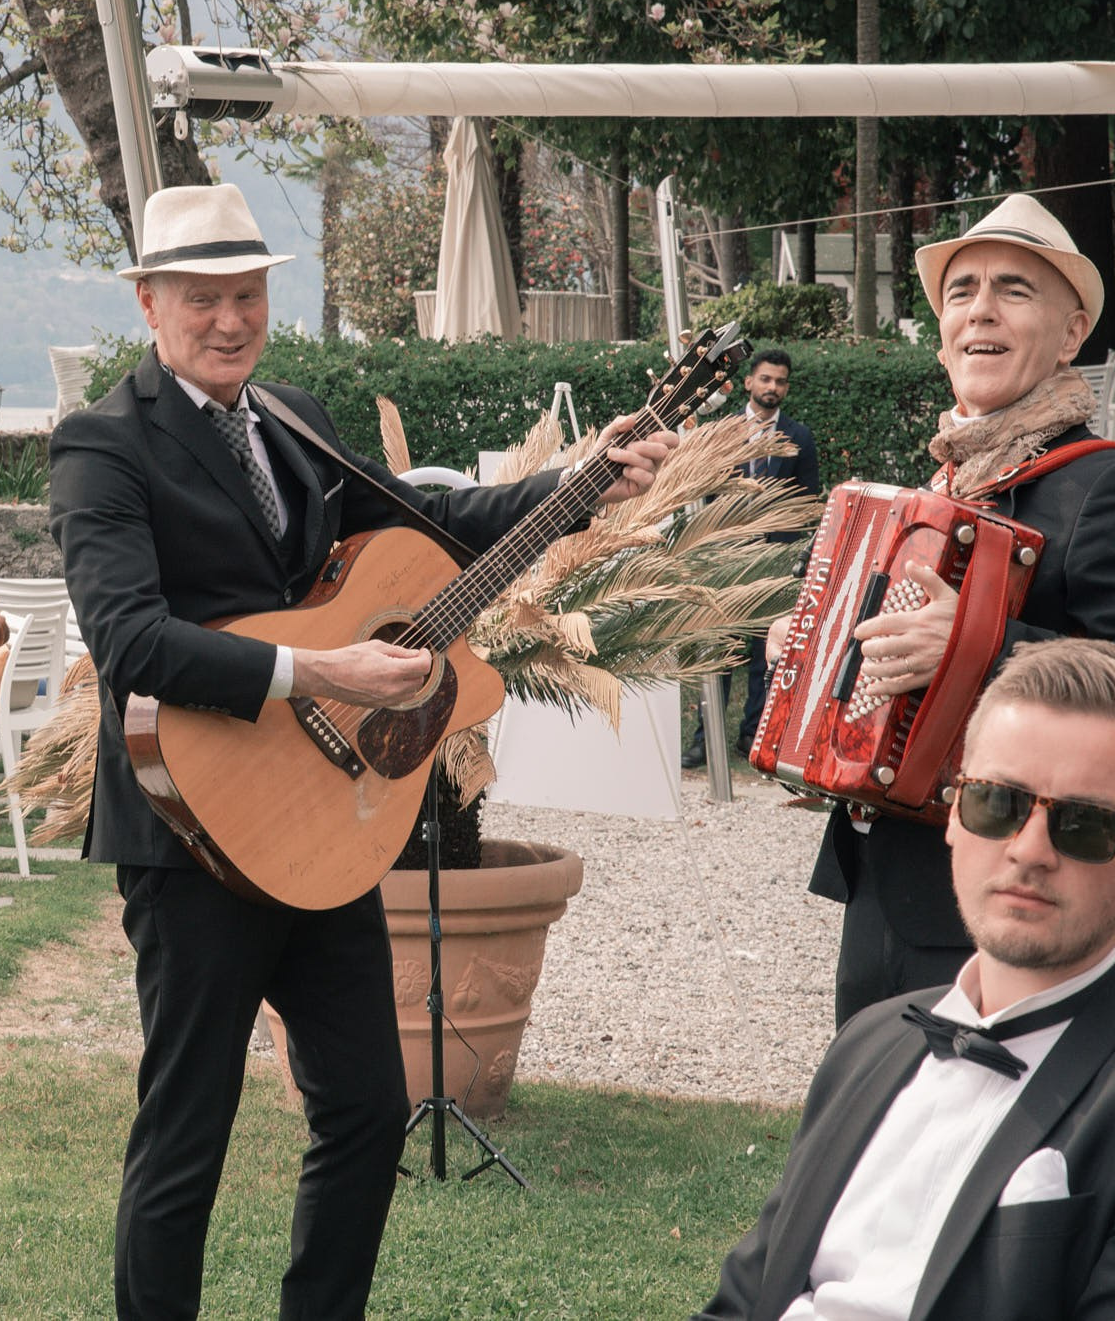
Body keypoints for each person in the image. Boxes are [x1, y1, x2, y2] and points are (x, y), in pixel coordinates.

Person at [48, 183, 676, 1321]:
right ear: (149, 303)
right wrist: (320, 672)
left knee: (366, 1109)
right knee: (184, 1133)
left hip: (320, 822)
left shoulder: (292, 416)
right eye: (202, 299)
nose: (229, 319)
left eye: (247, 295)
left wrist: (580, 486)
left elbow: (437, 526)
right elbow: (126, 640)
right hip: (191, 830)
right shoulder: (102, 443)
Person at [696, 637, 1115, 1320]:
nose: (1030, 850)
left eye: (1085, 824)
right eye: (997, 803)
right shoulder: (868, 1044)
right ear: (951, 812)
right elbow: (743, 1302)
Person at [794, 193, 1115, 1026]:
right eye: (960, 291)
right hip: (889, 877)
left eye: (1014, 289)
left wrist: (975, 647)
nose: (980, 309)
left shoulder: (1109, 481)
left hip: (1025, 875)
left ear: (1071, 333)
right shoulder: (940, 484)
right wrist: (814, 664)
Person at [683, 348, 820, 768]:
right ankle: (706, 742)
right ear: (748, 383)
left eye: (780, 381)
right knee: (720, 652)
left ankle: (753, 737)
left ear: (786, 387)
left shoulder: (800, 437)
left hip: (775, 562)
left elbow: (809, 500)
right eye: (765, 379)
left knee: (766, 653)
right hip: (726, 559)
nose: (772, 388)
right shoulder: (722, 432)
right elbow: (702, 494)